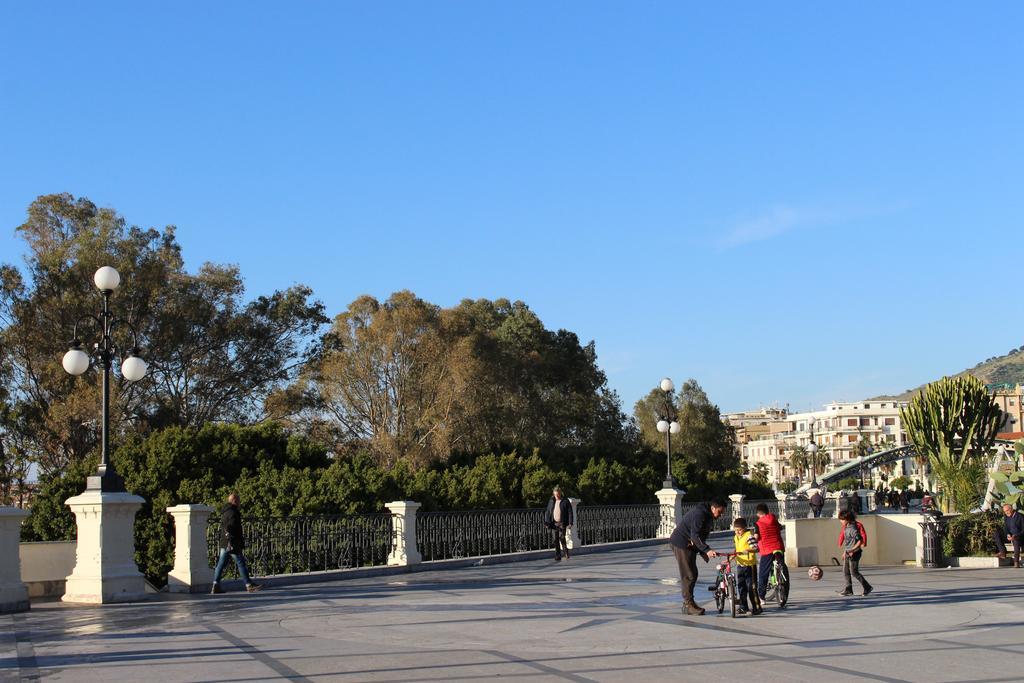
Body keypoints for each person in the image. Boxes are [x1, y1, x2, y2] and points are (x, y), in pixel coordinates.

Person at [669, 499, 727, 616]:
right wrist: (706, 550)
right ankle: (688, 605)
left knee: (693, 573)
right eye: (720, 512)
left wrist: (703, 552)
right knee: (688, 574)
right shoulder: (699, 514)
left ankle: (690, 603)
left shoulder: (708, 516)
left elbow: (701, 536)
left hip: (690, 545)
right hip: (681, 543)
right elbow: (695, 536)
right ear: (713, 508)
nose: (720, 515)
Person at [211, 492, 262, 594]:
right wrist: (233, 539)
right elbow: (231, 527)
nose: (240, 503)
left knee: (221, 564)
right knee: (240, 562)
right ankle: (249, 584)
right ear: (234, 501)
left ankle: (215, 585)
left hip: (225, 542)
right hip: (232, 542)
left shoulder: (225, 511)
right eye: (238, 501)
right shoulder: (233, 512)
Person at [754, 503, 789, 606]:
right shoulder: (774, 518)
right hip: (779, 547)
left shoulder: (758, 523)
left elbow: (756, 537)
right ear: (767, 511)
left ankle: (761, 597)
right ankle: (780, 575)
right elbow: (780, 528)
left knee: (763, 573)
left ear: (758, 513)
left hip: (767, 550)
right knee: (781, 565)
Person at [837, 510, 872, 596]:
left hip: (855, 553)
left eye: (842, 519)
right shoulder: (846, 527)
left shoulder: (853, 529)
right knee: (845, 571)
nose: (840, 521)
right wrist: (845, 551)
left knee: (854, 572)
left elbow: (860, 540)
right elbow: (848, 542)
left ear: (847, 519)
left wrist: (852, 550)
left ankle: (867, 587)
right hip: (848, 552)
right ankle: (848, 589)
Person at [732, 517, 761, 615]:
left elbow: (757, 549)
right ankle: (743, 607)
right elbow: (736, 550)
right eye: (735, 530)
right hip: (740, 564)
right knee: (741, 587)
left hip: (749, 565)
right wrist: (730, 558)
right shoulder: (736, 537)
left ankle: (757, 607)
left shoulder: (749, 536)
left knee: (751, 588)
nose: (737, 532)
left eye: (739, 530)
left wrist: (749, 550)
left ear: (744, 528)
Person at [543, 486, 574, 562]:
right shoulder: (551, 501)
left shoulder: (565, 501)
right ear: (553, 493)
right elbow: (548, 512)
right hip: (554, 523)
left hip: (562, 523)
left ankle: (566, 552)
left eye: (558, 494)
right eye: (555, 494)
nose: (557, 496)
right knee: (555, 540)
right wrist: (546, 522)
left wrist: (570, 523)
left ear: (560, 493)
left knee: (562, 538)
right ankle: (558, 555)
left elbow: (570, 512)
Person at [994, 503, 1024, 567]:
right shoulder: (1006, 517)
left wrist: (1015, 535)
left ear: (1012, 509)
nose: (1006, 513)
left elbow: (1023, 530)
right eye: (1005, 511)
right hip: (1010, 537)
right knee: (996, 533)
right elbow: (1006, 528)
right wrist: (1008, 534)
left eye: (1007, 510)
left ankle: (1016, 562)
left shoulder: (1020, 516)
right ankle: (1003, 552)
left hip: (1019, 537)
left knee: (1015, 540)